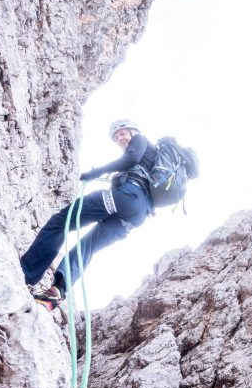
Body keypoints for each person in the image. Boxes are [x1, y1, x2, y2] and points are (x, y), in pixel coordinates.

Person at [20, 120, 156, 310]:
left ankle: (26, 272)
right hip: (138, 215)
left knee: (61, 222)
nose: (120, 138)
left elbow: (131, 157)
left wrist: (95, 172)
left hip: (126, 196)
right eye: (116, 137)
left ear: (134, 131)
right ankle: (58, 291)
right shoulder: (151, 161)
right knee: (88, 246)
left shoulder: (141, 140)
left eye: (123, 133)